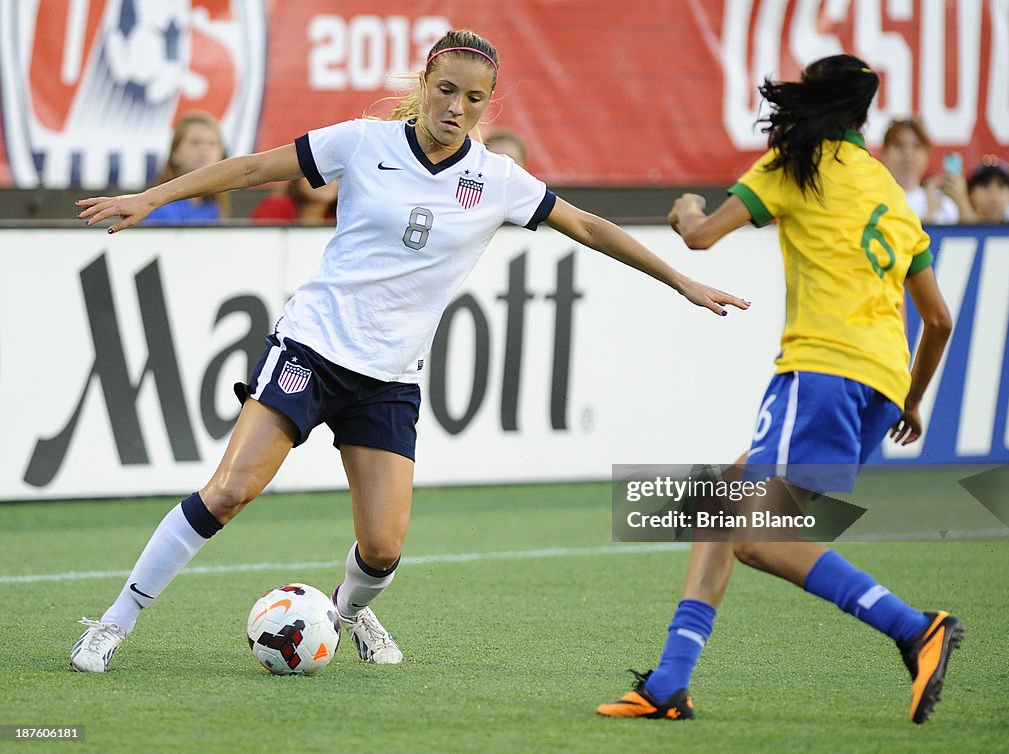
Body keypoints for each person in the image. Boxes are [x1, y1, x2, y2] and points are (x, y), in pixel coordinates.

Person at [70, 29, 749, 673]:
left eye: (474, 98)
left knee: (383, 549)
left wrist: (680, 279)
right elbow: (252, 166)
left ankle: (342, 615)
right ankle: (114, 623)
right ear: (425, 83)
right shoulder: (363, 142)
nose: (457, 108)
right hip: (314, 344)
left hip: (389, 377)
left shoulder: (497, 179)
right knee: (230, 490)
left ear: (489, 104)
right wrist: (151, 199)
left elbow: (591, 228)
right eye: (447, 90)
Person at [597, 54, 959, 725]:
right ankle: (669, 682)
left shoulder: (796, 163)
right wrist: (909, 399)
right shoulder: (890, 192)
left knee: (756, 534)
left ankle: (914, 627)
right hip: (879, 387)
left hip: (822, 373)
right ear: (862, 115)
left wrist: (686, 207)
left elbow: (702, 238)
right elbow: (938, 320)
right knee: (723, 504)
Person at [145, 111, 228, 224]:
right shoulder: (161, 207)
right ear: (175, 153)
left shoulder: (213, 206)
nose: (205, 150)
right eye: (195, 142)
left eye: (212, 143)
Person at [880, 117, 958, 224]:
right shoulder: (872, 200)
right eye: (899, 145)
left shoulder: (943, 204)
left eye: (916, 146)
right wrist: (930, 215)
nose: (908, 153)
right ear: (884, 154)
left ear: (927, 155)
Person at [250, 177, 339, 225]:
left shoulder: (344, 217)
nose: (325, 181)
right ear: (297, 179)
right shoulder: (276, 207)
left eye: (333, 175)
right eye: (316, 174)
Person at [965, 158, 1009, 223]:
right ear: (971, 193)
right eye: (985, 186)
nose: (993, 196)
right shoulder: (952, 226)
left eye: (1001, 186)